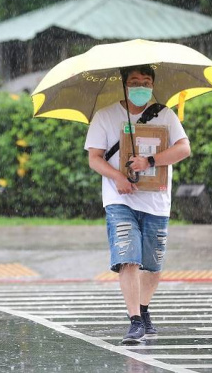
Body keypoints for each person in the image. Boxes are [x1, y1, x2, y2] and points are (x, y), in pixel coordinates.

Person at [83, 64, 191, 345]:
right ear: (124, 84)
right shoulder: (105, 117)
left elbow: (184, 148)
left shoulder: (165, 114)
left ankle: (143, 309)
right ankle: (134, 322)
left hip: (156, 201)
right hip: (120, 199)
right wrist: (118, 176)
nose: (141, 86)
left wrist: (150, 161)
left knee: (152, 266)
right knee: (127, 258)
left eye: (146, 81)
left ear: (152, 85)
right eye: (134, 81)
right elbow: (94, 157)